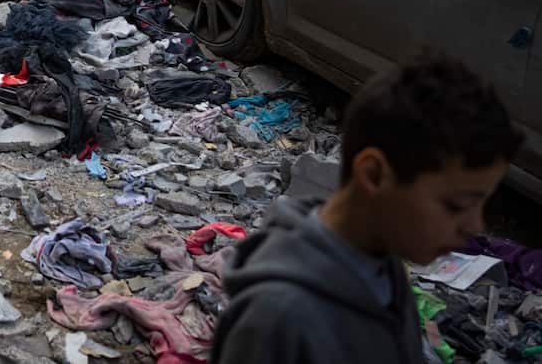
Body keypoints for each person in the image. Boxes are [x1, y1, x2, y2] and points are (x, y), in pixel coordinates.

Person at [210, 56, 521, 364]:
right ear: (373, 174)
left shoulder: (383, 266)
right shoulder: (276, 323)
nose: (475, 226)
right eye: (457, 205)